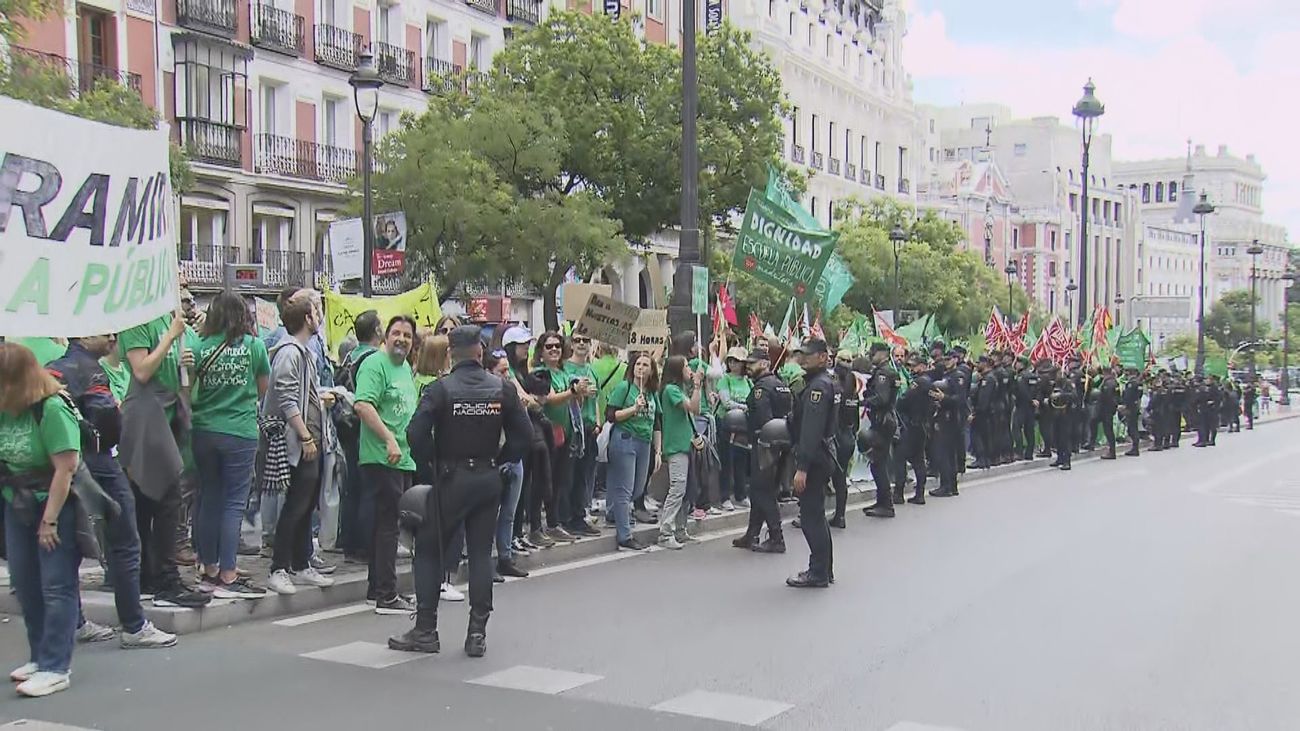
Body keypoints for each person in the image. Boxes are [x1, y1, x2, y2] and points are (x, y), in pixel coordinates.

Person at [391, 326, 532, 657]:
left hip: (452, 477)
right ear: (480, 352)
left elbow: (415, 434)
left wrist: (433, 462)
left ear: (451, 353)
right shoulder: (503, 388)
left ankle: (426, 629)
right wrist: (501, 459)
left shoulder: (441, 389)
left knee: (428, 549)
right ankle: (477, 633)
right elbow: (524, 437)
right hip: (487, 477)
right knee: (482, 554)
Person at [45, 338, 177, 649]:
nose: (111, 337)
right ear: (83, 336)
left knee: (71, 541)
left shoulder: (53, 370)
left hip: (65, 459)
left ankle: (75, 621)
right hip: (99, 459)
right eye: (103, 331)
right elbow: (109, 421)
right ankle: (133, 624)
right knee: (125, 540)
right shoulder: (92, 372)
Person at [1, 344, 84, 697]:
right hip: (16, 503)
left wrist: (49, 520)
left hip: (54, 503)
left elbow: (66, 467)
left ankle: (56, 666)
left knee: (56, 584)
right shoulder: (6, 409)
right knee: (25, 581)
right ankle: (39, 655)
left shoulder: (52, 408)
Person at [117, 310, 210, 608]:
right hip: (146, 415)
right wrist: (169, 337)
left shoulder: (171, 322)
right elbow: (142, 370)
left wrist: (187, 368)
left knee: (150, 500)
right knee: (167, 497)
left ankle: (148, 573)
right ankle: (165, 578)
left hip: (168, 416)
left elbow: (178, 380)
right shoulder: (139, 323)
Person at [191, 293, 271, 598]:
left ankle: (208, 567)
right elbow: (262, 387)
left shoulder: (199, 346)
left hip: (204, 429)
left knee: (209, 497)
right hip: (239, 430)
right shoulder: (255, 347)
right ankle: (228, 571)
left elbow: (189, 387)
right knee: (235, 502)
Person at [260, 296, 334, 595]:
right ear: (307, 317)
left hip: (310, 439)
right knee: (295, 505)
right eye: (316, 311)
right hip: (300, 441)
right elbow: (287, 399)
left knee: (305, 504)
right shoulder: (290, 353)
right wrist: (304, 436)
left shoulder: (305, 354)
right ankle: (279, 567)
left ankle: (301, 564)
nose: (320, 317)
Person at [354, 315, 419, 614]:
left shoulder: (405, 367)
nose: (402, 339)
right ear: (385, 336)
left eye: (407, 335)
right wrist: (389, 439)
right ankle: (386, 594)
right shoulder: (374, 364)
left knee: (388, 525)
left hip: (403, 458)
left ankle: (376, 589)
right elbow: (363, 405)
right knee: (388, 527)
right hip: (382, 457)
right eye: (396, 333)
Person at [787, 338, 836, 589]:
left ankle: (817, 572)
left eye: (808, 355)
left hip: (814, 458)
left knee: (810, 517)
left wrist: (802, 467)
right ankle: (824, 569)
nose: (802, 359)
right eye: (801, 354)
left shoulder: (819, 387)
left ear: (822, 357)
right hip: (822, 455)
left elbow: (811, 430)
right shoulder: (821, 383)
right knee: (817, 515)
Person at [334, 310, 383, 565]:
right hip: (365, 427)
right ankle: (365, 546)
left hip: (347, 426)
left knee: (352, 486)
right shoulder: (374, 358)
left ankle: (348, 541)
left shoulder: (349, 356)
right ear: (376, 331)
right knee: (368, 488)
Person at [733, 348, 791, 553]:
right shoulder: (780, 385)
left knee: (762, 490)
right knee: (760, 490)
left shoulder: (762, 388)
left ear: (765, 364)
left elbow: (764, 420)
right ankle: (752, 534)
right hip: (781, 444)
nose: (748, 366)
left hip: (765, 444)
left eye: (753, 363)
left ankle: (777, 537)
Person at [605, 352, 659, 551]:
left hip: (644, 442)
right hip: (625, 440)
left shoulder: (652, 393)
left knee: (638, 489)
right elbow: (611, 415)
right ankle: (625, 535)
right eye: (638, 364)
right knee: (624, 490)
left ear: (652, 370)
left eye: (646, 365)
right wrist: (633, 409)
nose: (641, 368)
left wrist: (658, 450)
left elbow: (657, 422)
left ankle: (614, 513)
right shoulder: (624, 387)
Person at [534, 332, 585, 543]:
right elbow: (551, 399)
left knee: (559, 481)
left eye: (557, 346)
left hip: (565, 434)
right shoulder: (540, 373)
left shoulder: (563, 372)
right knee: (542, 483)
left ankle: (554, 523)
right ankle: (538, 526)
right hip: (545, 434)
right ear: (541, 352)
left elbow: (573, 403)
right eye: (549, 347)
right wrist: (574, 391)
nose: (554, 349)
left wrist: (580, 393)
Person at [657, 355, 703, 550]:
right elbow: (692, 406)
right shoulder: (670, 390)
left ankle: (680, 529)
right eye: (685, 367)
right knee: (677, 488)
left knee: (686, 490)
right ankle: (665, 531)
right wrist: (698, 386)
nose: (689, 370)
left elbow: (697, 410)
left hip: (686, 444)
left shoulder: (680, 390)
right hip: (675, 446)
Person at [564, 332, 601, 537]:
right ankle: (572, 517)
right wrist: (579, 394)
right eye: (577, 340)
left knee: (586, 475)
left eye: (585, 340)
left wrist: (597, 421)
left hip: (589, 428)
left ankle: (580, 512)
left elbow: (596, 399)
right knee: (573, 476)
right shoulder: (566, 368)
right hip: (573, 429)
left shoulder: (591, 369)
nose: (581, 344)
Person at [861, 343, 900, 518]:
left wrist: (865, 400)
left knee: (878, 464)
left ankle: (886, 504)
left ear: (882, 354)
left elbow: (882, 398)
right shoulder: (888, 371)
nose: (871, 355)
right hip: (885, 421)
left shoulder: (884, 373)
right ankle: (882, 501)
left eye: (873, 352)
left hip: (882, 421)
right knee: (878, 463)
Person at [715, 347, 753, 512]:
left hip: (743, 428)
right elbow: (726, 402)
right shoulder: (725, 379)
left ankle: (741, 494)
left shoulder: (748, 381)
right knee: (727, 461)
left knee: (741, 461)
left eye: (737, 361)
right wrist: (743, 407)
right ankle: (724, 497)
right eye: (731, 360)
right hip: (726, 424)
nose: (733, 363)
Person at [893, 355, 934, 504]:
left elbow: (903, 401)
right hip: (923, 426)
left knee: (900, 457)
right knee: (918, 460)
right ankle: (920, 493)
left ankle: (898, 493)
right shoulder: (930, 382)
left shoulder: (918, 383)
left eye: (914, 366)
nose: (911, 369)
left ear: (922, 366)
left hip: (912, 425)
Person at [828, 351, 859, 527]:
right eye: (844, 360)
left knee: (827, 476)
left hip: (837, 435)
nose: (846, 363)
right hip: (847, 435)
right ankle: (840, 515)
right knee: (840, 478)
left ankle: (838, 515)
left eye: (848, 360)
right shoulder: (853, 384)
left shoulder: (835, 385)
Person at [1048, 367, 1077, 471]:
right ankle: (1059, 458)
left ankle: (1067, 461)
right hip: (1055, 413)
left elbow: (1074, 396)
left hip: (1066, 413)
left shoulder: (1068, 383)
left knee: (1065, 438)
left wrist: (1061, 395)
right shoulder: (1054, 384)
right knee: (1056, 437)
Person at [1097, 365, 1119, 460]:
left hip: (1106, 409)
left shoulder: (1108, 383)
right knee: (1108, 430)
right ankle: (1111, 450)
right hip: (1110, 409)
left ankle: (1112, 451)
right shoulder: (1114, 381)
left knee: (1108, 430)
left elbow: (1107, 397)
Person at [1120, 369, 1143, 457]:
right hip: (1135, 407)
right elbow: (1139, 396)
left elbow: (1128, 396)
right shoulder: (1139, 383)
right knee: (1133, 427)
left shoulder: (1132, 383)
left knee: (1132, 428)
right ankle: (1135, 447)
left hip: (1131, 408)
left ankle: (1135, 448)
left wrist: (1125, 406)